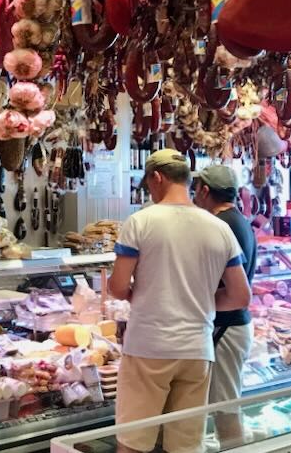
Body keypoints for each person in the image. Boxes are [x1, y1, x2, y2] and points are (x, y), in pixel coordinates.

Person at [108, 149, 251, 453]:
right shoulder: (219, 227)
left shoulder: (140, 221)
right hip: (198, 349)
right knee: (186, 446)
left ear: (156, 178)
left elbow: (118, 287)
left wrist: (143, 295)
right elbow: (240, 296)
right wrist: (201, 303)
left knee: (134, 443)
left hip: (149, 346)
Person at [193, 165, 257, 447]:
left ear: (205, 191)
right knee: (221, 401)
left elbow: (231, 290)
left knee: (226, 405)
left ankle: (234, 448)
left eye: (196, 189)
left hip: (228, 327)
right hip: (231, 325)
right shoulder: (238, 220)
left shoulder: (222, 225)